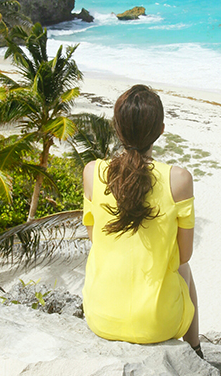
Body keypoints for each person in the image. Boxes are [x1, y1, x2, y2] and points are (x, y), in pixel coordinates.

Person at [82, 84, 202, 356]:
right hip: (157, 324)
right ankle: (195, 348)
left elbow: (94, 238)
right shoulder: (179, 179)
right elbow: (184, 255)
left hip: (101, 318)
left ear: (116, 127)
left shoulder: (92, 172)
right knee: (184, 269)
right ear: (160, 130)